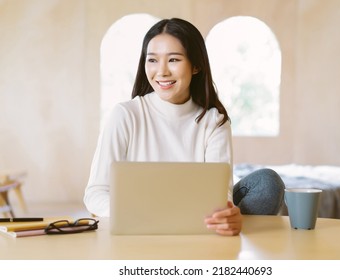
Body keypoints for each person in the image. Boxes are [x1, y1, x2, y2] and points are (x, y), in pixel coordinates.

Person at [84, 18, 285, 236]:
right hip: (141, 224)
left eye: (173, 60)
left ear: (196, 65)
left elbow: (221, 196)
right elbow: (96, 193)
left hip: (198, 221)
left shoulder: (214, 121)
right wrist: (140, 218)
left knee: (267, 183)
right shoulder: (125, 115)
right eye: (152, 60)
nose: (161, 72)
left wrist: (227, 215)